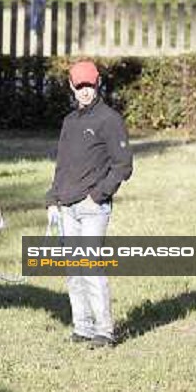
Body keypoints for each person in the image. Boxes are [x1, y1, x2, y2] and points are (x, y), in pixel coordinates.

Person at [45, 60, 133, 348]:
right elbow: (62, 166)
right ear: (71, 86)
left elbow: (123, 166)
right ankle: (82, 327)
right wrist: (52, 199)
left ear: (98, 85)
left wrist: (98, 195)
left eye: (89, 86)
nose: (84, 91)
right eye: (79, 86)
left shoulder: (110, 120)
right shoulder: (69, 122)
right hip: (67, 207)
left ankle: (104, 331)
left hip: (93, 207)